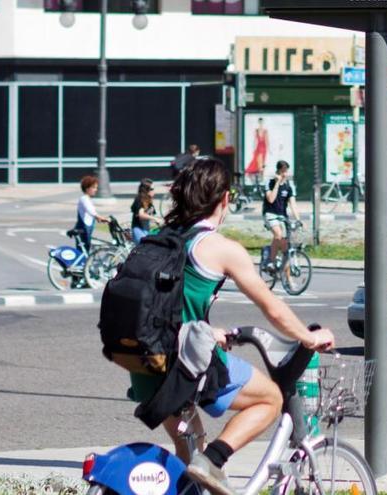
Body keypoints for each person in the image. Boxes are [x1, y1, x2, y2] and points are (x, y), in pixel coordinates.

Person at [129, 158, 334, 495]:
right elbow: (272, 307)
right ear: (223, 199)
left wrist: (207, 332)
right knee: (269, 399)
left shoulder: (158, 239)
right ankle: (215, 460)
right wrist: (307, 337)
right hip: (183, 366)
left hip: (143, 362)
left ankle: (198, 468)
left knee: (188, 451)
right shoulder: (221, 248)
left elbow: (163, 305)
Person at [262, 160, 300, 273]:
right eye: (282, 171)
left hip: (283, 216)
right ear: (277, 171)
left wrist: (298, 219)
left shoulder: (289, 186)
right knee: (278, 234)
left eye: (286, 171)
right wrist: (277, 184)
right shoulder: (269, 183)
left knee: (286, 244)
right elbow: (271, 199)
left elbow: (293, 204)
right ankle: (270, 260)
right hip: (270, 214)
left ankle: (273, 255)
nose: (284, 174)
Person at [75, 175, 108, 253]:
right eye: (93, 187)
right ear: (87, 188)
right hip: (83, 229)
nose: (96, 190)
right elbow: (90, 211)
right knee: (83, 251)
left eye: (96, 188)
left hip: (86, 228)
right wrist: (99, 217)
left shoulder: (87, 199)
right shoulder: (84, 199)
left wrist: (98, 218)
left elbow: (90, 213)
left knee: (86, 250)